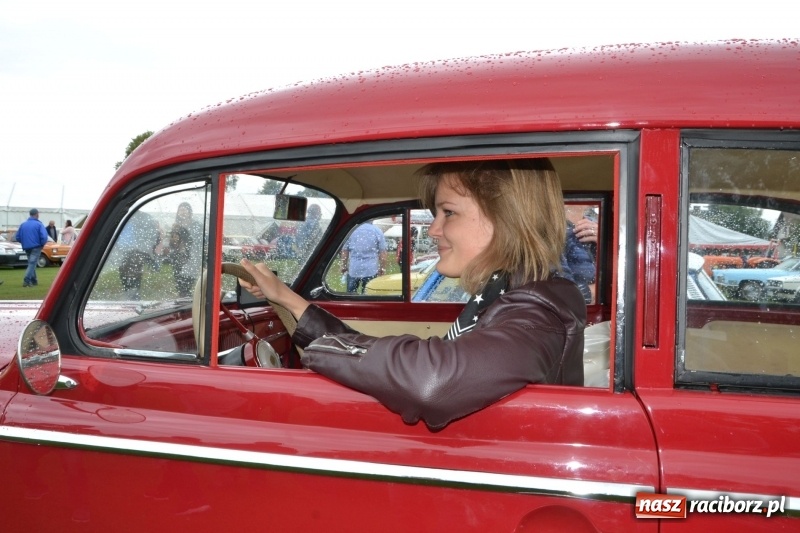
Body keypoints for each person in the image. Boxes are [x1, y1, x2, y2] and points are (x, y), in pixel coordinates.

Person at [238, 159, 586, 430]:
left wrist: (322, 350)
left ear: (506, 217)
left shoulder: (537, 312)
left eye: (449, 212)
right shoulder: (508, 294)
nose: (433, 229)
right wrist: (286, 298)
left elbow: (433, 380)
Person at [161, 202, 202, 297]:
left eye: (184, 210)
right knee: (179, 283)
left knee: (188, 281)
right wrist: (172, 240)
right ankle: (183, 299)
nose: (182, 212)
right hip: (178, 258)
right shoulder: (176, 226)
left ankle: (187, 299)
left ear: (189, 212)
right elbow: (172, 243)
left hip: (191, 257)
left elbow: (199, 241)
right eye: (180, 210)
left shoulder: (196, 225)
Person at [340, 220, 387, 293]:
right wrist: (382, 268)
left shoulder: (351, 231)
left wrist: (344, 266)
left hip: (354, 269)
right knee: (368, 296)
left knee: (350, 296)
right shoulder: (377, 231)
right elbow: (383, 253)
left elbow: (345, 251)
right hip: (371, 270)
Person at [15, 208, 48, 287]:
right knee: (32, 264)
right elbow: (44, 236)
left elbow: (17, 237)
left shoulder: (23, 224)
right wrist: (42, 244)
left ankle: (34, 280)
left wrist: (24, 242)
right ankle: (27, 280)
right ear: (36, 214)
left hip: (27, 247)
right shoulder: (39, 224)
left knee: (31, 263)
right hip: (36, 246)